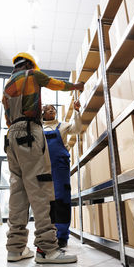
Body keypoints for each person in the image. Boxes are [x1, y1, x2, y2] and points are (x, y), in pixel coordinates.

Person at [2, 52, 84, 264]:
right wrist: (75, 86)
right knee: (41, 190)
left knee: (18, 193)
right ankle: (46, 249)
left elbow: (6, 116)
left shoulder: (7, 85)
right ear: (30, 64)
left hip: (11, 138)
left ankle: (16, 249)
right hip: (30, 133)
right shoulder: (33, 74)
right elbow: (56, 84)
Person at [42, 100, 82, 248]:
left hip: (60, 167)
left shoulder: (63, 125)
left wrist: (77, 112)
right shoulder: (38, 128)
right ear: (42, 113)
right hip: (42, 167)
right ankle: (46, 234)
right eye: (47, 108)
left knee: (62, 199)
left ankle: (62, 236)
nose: (51, 110)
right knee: (45, 202)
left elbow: (77, 129)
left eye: (53, 108)